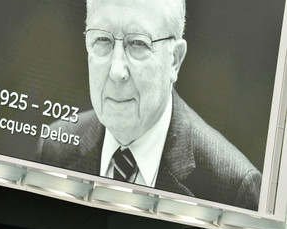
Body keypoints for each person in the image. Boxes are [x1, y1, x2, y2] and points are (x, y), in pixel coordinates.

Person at [36, 0, 261, 210]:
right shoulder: (55, 146)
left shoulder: (234, 187)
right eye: (102, 40)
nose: (116, 71)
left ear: (175, 60)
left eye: (137, 44)